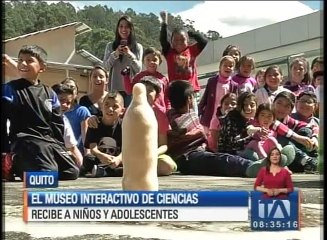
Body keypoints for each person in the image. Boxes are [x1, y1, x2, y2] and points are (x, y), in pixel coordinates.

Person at [1, 45, 79, 180]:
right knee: (46, 175)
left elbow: (57, 124)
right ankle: (14, 162)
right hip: (25, 141)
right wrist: (5, 150)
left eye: (29, 60)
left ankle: (36, 165)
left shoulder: (50, 93)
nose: (23, 64)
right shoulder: (10, 89)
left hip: (48, 142)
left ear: (42, 67)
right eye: (20, 60)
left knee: (71, 172)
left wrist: (59, 148)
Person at [166, 80, 269, 178]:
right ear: (189, 99)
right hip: (186, 157)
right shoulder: (171, 117)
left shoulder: (191, 114)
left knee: (220, 159)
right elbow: (178, 137)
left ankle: (261, 164)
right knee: (222, 160)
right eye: (193, 97)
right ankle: (251, 167)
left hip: (200, 152)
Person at [159, 11, 208, 113]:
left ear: (188, 41)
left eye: (182, 39)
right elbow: (163, 40)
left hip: (191, 90)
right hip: (176, 90)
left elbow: (204, 41)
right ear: (171, 41)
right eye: (175, 40)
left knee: (193, 114)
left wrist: (190, 32)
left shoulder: (192, 50)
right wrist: (164, 23)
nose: (179, 43)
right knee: (177, 117)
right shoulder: (169, 53)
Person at [272, 91, 319, 173]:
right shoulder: (266, 115)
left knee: (306, 130)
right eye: (279, 103)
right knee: (280, 137)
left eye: (287, 106)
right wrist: (297, 137)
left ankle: (313, 161)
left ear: (290, 111)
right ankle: (307, 161)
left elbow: (312, 126)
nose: (282, 108)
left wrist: (314, 137)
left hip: (292, 157)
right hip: (269, 154)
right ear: (273, 104)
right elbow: (276, 124)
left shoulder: (288, 119)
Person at [139, 76, 177, 176]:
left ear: (156, 96)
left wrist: (152, 154)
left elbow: (163, 145)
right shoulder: (130, 112)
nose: (145, 93)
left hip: (153, 155)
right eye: (142, 90)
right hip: (133, 154)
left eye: (150, 91)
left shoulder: (160, 114)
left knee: (167, 165)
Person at [82, 91, 125, 177]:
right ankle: (109, 171)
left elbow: (127, 149)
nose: (110, 109)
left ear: (122, 111)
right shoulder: (95, 123)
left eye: (115, 106)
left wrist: (118, 159)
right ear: (101, 107)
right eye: (107, 105)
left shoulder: (124, 126)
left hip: (117, 159)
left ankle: (105, 172)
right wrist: (102, 156)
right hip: (100, 159)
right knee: (88, 159)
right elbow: (93, 149)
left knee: (131, 160)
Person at [103, 15, 143, 107]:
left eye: (127, 27)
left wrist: (130, 54)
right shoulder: (110, 46)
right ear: (117, 28)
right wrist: (115, 53)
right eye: (121, 26)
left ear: (131, 29)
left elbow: (138, 69)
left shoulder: (138, 47)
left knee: (128, 119)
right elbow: (105, 67)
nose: (124, 29)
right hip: (114, 90)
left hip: (131, 91)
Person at [123, 47, 170, 113]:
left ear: (159, 61)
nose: (151, 62)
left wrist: (168, 110)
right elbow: (129, 91)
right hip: (142, 111)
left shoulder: (163, 79)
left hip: (159, 112)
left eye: (155, 60)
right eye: (148, 59)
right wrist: (126, 76)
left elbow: (166, 97)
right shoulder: (139, 77)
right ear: (143, 61)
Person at [198, 55, 238, 133]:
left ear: (233, 69)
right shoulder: (212, 81)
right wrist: (200, 111)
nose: (228, 67)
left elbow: (235, 102)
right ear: (220, 67)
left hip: (225, 116)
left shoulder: (234, 85)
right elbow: (205, 98)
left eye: (230, 66)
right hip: (211, 114)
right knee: (208, 137)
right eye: (225, 65)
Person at [53, 81, 91, 156]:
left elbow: (85, 138)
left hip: (73, 153)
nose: (65, 105)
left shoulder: (81, 111)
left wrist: (87, 156)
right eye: (67, 86)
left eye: (72, 87)